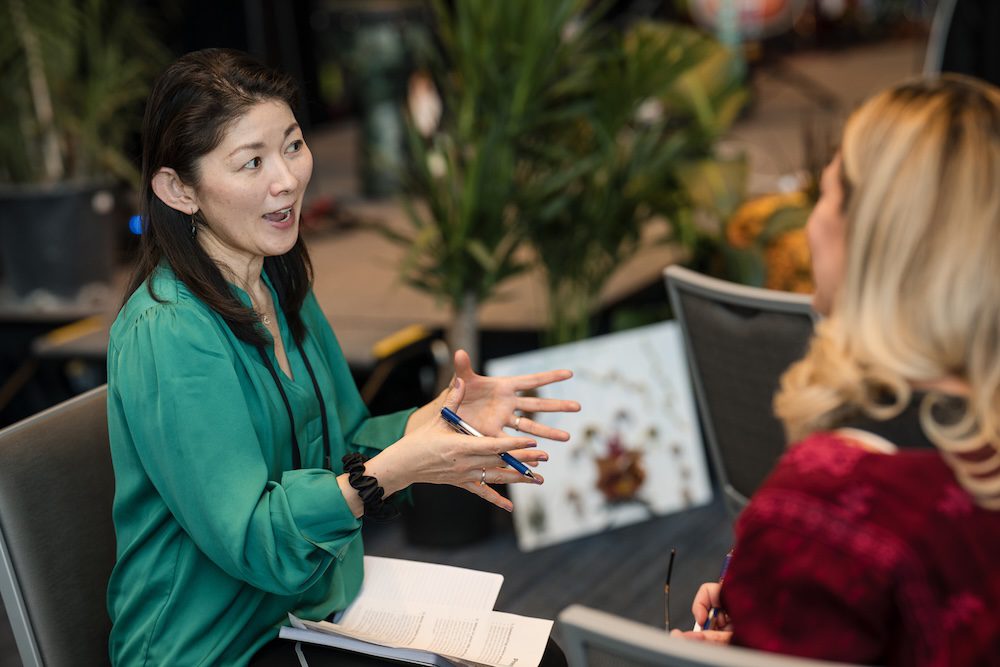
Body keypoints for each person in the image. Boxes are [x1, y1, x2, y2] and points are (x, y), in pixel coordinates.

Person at [106, 48, 580, 666]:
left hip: (304, 612)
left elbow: (346, 442)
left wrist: (437, 422)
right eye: (251, 162)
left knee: (542, 658)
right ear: (178, 188)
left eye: (293, 145)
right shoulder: (168, 331)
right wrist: (394, 468)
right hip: (216, 647)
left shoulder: (275, 281)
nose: (287, 179)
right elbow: (258, 544)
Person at [672, 75, 1000, 665]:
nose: (809, 223)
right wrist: (782, 609)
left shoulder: (819, 508)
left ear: (873, 241)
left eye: (823, 194)